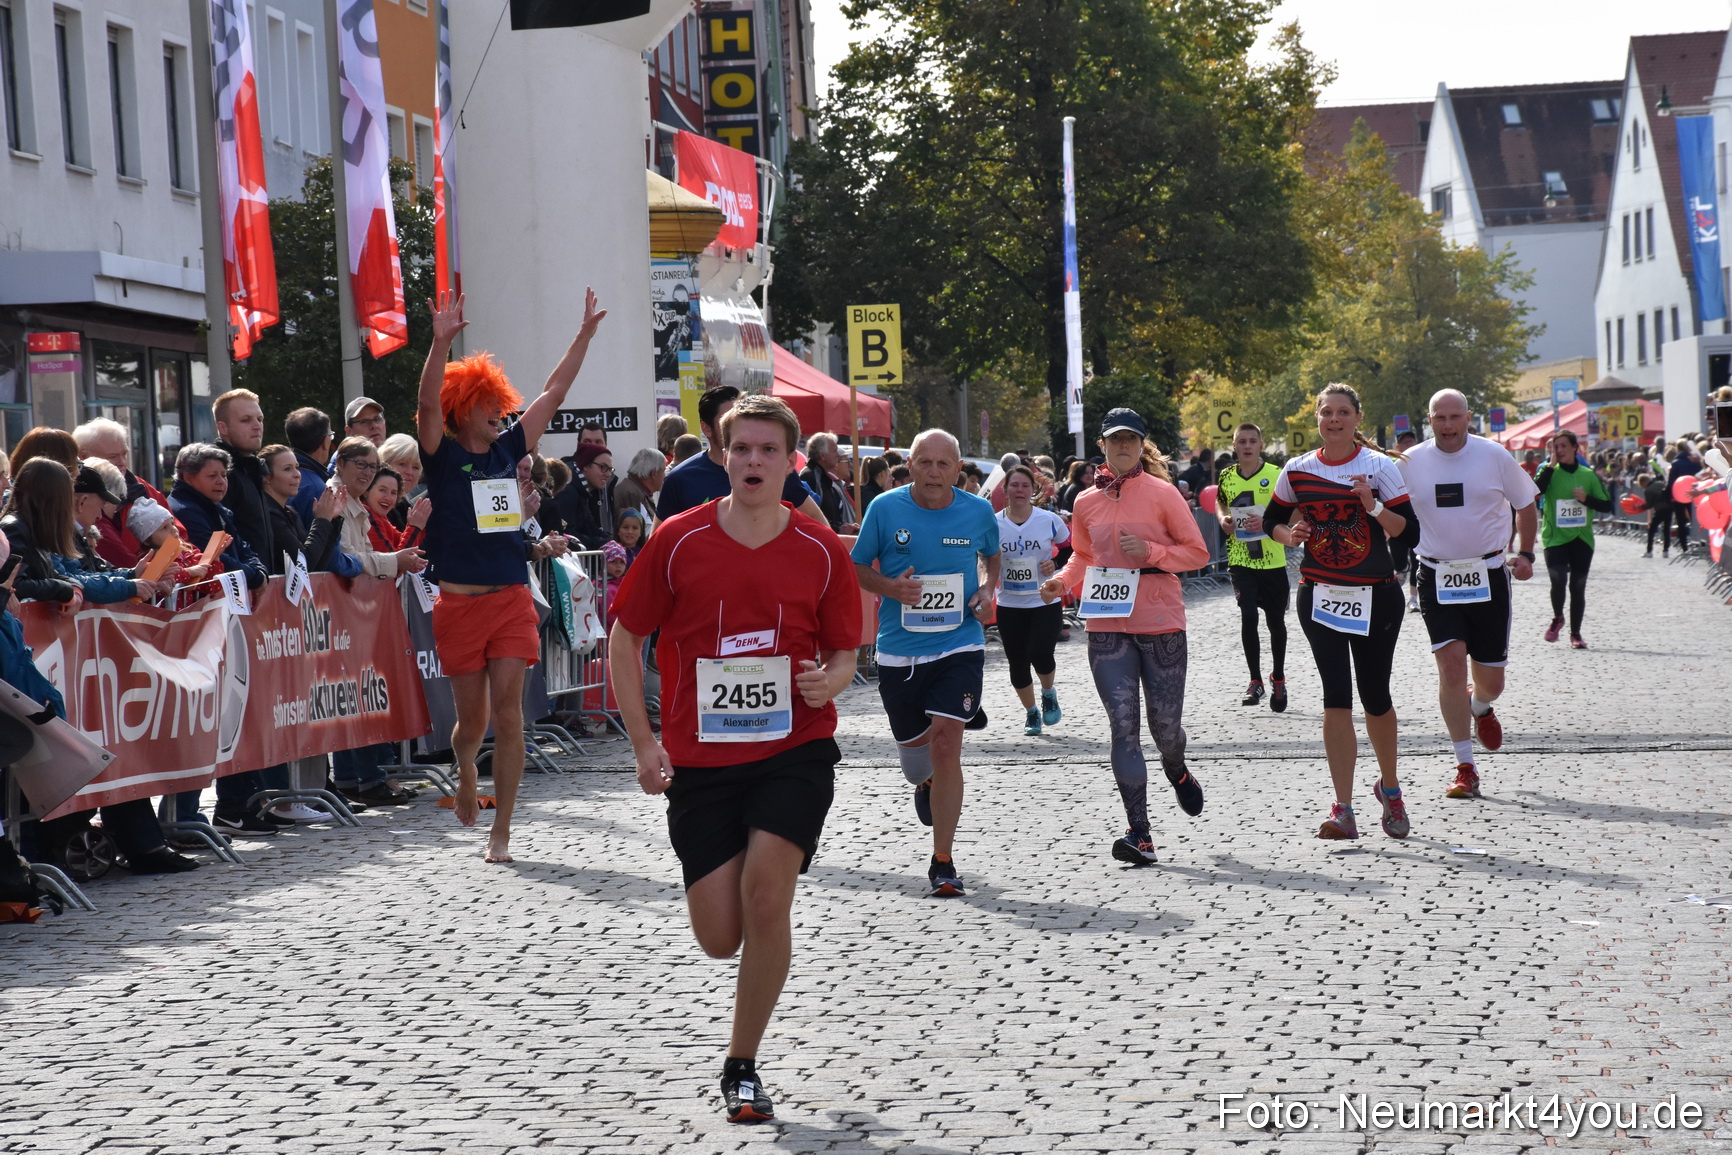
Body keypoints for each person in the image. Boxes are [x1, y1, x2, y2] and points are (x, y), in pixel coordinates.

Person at [608, 394, 860, 1124]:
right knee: (720, 936)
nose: (753, 460)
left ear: (790, 461)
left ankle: (742, 1064)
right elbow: (626, 639)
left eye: (767, 450)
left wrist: (835, 677)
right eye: (740, 448)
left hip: (796, 747)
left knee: (766, 895)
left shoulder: (819, 549)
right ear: (723, 456)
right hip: (702, 759)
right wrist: (643, 741)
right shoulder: (679, 539)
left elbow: (846, 647)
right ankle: (755, 965)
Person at [418, 289, 600, 863]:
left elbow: (555, 392)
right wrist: (440, 341)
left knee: (509, 715)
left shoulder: (509, 449)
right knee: (470, 725)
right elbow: (424, 408)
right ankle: (467, 769)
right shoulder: (442, 455)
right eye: (488, 405)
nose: (500, 413)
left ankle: (504, 831)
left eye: (502, 404)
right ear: (463, 407)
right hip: (458, 603)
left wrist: (584, 336)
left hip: (511, 597)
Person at [1040, 409, 1209, 864]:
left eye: (1131, 440)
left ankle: (1177, 768)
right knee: (1123, 727)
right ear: (1102, 445)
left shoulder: (1162, 493)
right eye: (1116, 440)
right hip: (1106, 624)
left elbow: (1197, 552)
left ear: (1141, 445)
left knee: (1166, 729)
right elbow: (1082, 554)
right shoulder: (1084, 501)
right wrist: (1064, 581)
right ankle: (1141, 832)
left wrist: (1151, 551)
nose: (1123, 447)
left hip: (1160, 620)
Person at [1263, 383, 1420, 842]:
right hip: (1321, 596)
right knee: (1335, 698)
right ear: (1317, 418)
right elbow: (1275, 519)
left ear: (1357, 417)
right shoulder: (1297, 469)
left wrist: (1372, 507)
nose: (1334, 420)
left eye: (1342, 412)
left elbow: (1408, 533)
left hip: (1377, 596)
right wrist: (1289, 536)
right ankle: (1344, 808)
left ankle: (1390, 788)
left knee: (1375, 695)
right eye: (1326, 413)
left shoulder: (1380, 467)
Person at [851, 429, 999, 897]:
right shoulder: (885, 508)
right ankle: (926, 781)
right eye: (925, 463)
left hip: (960, 642)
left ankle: (943, 861)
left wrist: (987, 590)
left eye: (944, 464)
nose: (934, 472)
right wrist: (892, 588)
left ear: (959, 470)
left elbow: (992, 559)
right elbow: (857, 567)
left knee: (948, 742)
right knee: (917, 762)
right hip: (899, 649)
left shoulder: (977, 511)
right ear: (909, 466)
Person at [1398, 390, 1539, 802]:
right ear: (1429, 419)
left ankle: (1480, 705)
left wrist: (1526, 553)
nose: (1447, 425)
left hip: (1488, 573)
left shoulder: (1493, 456)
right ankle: (1465, 766)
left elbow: (1526, 504)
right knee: (1450, 663)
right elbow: (1387, 511)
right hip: (1436, 574)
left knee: (1491, 679)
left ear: (1468, 417)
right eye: (1439, 417)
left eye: (1454, 416)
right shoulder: (1409, 462)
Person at [658, 385, 825, 524]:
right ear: (706, 428)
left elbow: (817, 522)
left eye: (767, 449)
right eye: (727, 417)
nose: (737, 422)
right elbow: (659, 543)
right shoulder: (679, 479)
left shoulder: (777, 472)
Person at [1213, 422, 1289, 711]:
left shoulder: (1275, 474)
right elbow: (1220, 502)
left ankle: (1278, 676)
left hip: (1272, 560)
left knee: (1275, 622)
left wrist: (1270, 521)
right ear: (1234, 445)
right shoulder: (1227, 475)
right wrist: (1223, 520)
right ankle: (1255, 679)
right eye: (1241, 441)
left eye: (1251, 441)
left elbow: (1290, 509)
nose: (1246, 446)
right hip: (1240, 560)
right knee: (1248, 617)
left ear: (1260, 444)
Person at [994, 465, 1068, 735]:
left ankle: (1048, 692)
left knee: (1040, 652)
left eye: (1025, 485)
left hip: (1044, 600)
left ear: (1033, 489)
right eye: (1014, 485)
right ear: (1006, 489)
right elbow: (986, 556)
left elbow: (1071, 549)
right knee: (1017, 661)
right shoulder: (995, 523)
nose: (1020, 490)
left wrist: (1055, 563)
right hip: (1009, 603)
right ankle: (1032, 713)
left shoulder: (1048, 520)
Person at [1534, 430, 1610, 648]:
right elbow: (1535, 490)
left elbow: (1606, 505)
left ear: (1575, 447)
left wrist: (1587, 499)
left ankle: (1576, 634)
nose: (1558, 450)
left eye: (1563, 446)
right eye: (1555, 447)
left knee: (1578, 585)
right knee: (1557, 579)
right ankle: (1558, 618)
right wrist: (1549, 465)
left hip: (1581, 538)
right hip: (1555, 537)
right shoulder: (1548, 471)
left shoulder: (1587, 474)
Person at [284, 407, 336, 524]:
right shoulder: (319, 491)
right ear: (325, 442)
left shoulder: (276, 477)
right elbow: (325, 540)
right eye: (330, 436)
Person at [561, 442, 616, 549]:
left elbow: (590, 527)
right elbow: (568, 534)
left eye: (610, 469)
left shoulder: (580, 488)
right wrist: (603, 543)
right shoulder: (568, 490)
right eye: (603, 467)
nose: (608, 474)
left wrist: (613, 541)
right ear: (586, 465)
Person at [800, 433, 858, 533]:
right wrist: (838, 529)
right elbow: (808, 519)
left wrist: (844, 527)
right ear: (823, 455)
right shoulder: (810, 476)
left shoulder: (824, 478)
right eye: (834, 451)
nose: (838, 455)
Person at [1391, 429, 1421, 611]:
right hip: (1397, 522)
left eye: (1412, 441)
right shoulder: (1391, 466)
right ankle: (1402, 569)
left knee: (1417, 560)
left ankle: (1413, 599)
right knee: (1399, 564)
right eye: (1405, 442)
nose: (1409, 445)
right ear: (1398, 446)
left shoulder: (1424, 464)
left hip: (1418, 522)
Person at [612, 447, 665, 530]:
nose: (664, 476)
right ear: (654, 473)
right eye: (663, 471)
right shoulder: (632, 494)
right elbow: (641, 534)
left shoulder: (634, 489)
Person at [1641, 471, 1675, 557]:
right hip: (1669, 507)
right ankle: (1665, 550)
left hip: (1659, 509)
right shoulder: (1660, 483)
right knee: (1666, 529)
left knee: (1652, 530)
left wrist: (1641, 507)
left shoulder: (1648, 490)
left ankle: (1649, 551)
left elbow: (1649, 505)